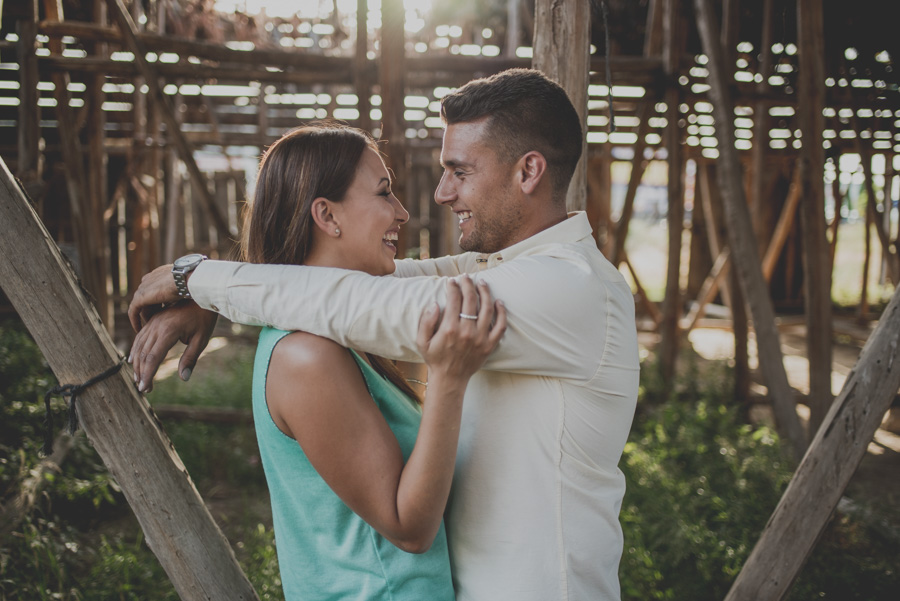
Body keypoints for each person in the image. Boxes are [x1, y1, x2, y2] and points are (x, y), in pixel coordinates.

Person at [129, 68, 639, 601]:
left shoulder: (568, 286)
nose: (439, 194)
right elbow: (356, 282)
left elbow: (373, 302)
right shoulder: (498, 271)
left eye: (459, 171)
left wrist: (200, 280)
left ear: (528, 171)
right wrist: (214, 295)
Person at [170, 123, 505, 600]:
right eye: (385, 193)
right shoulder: (307, 356)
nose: (403, 213)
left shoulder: (335, 338)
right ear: (326, 215)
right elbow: (408, 528)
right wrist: (449, 378)